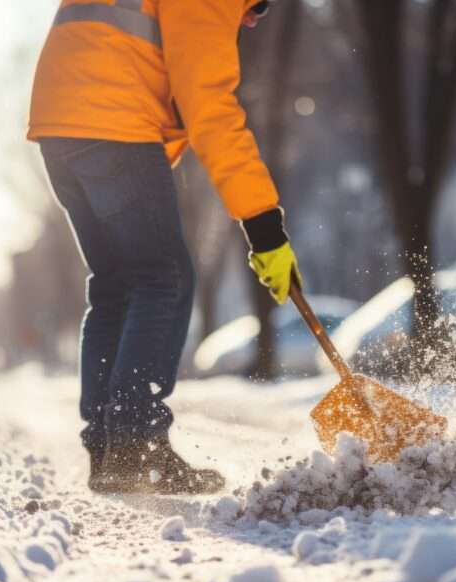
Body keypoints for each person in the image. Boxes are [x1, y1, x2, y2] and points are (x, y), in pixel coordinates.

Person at [27, 0, 301, 495]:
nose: (254, 16)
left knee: (115, 286)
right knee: (165, 279)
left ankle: (111, 451)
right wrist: (264, 225)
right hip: (111, 122)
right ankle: (137, 447)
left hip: (59, 122)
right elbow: (211, 111)